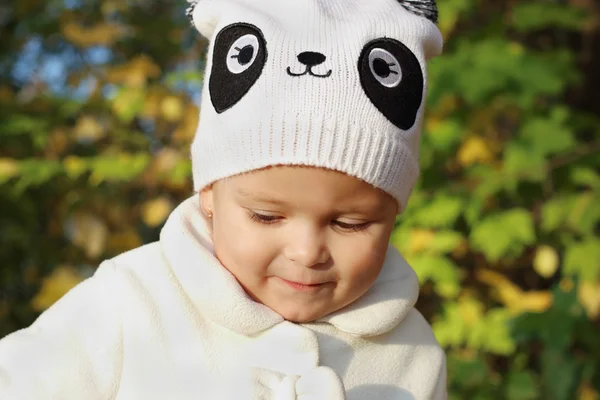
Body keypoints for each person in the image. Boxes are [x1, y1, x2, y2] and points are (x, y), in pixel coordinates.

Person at [0, 0, 446, 398]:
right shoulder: (132, 303)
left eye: (350, 224)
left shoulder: (413, 352)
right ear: (209, 193)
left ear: (392, 215)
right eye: (266, 216)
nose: (307, 252)